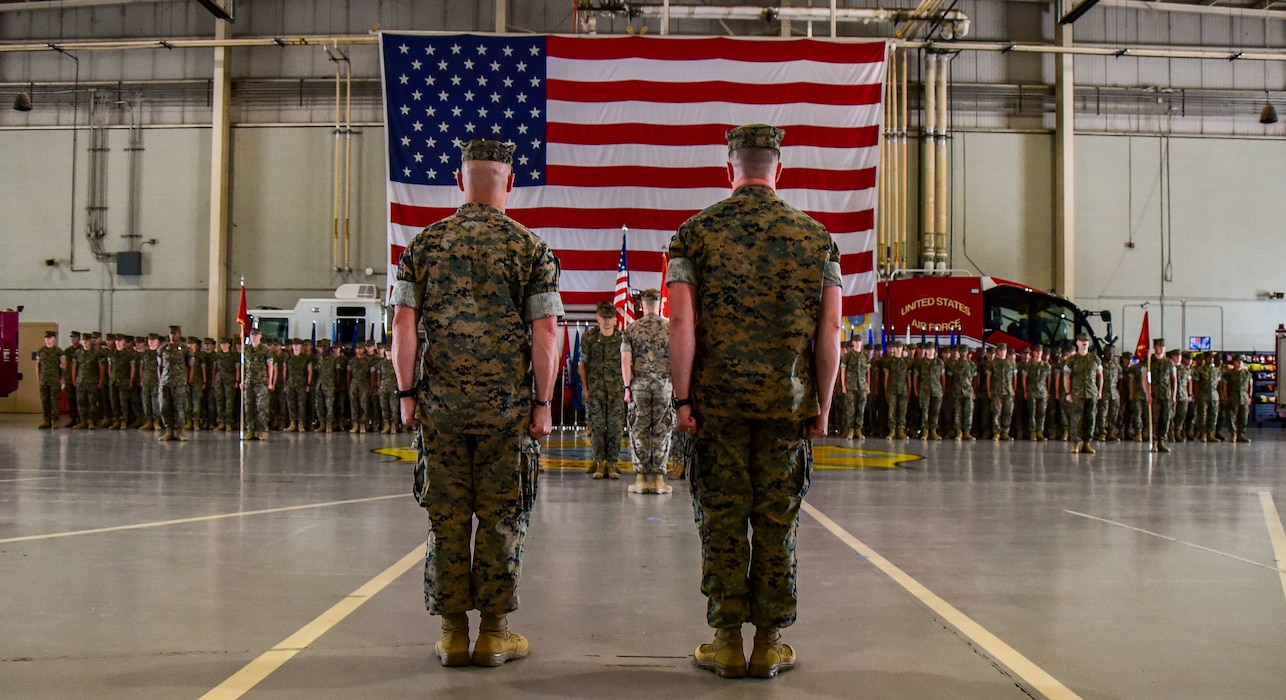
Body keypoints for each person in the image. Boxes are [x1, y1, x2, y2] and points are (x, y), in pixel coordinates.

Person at [669, 124, 841, 679]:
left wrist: (683, 399)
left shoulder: (694, 234)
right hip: (787, 409)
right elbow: (831, 331)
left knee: (720, 519)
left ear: (730, 169)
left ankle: (725, 641)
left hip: (717, 408)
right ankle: (768, 644)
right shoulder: (817, 239)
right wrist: (825, 406)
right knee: (776, 521)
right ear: (778, 170)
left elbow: (681, 323)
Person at [391, 139, 562, 669]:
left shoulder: (422, 246)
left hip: (439, 411)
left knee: (445, 520)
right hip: (505, 413)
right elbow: (547, 332)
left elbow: (402, 325)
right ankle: (494, 633)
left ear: (459, 180)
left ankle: (450, 634)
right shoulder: (531, 249)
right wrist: (543, 403)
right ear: (509, 181)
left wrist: (406, 394)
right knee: (500, 518)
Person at [622, 288, 675, 494]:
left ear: (642, 305)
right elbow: (677, 358)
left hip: (640, 388)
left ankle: (641, 480)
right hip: (664, 387)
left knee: (639, 430)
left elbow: (625, 360)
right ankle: (660, 480)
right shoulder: (670, 327)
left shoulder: (632, 328)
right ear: (660, 303)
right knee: (662, 430)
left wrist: (627, 388)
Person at [580, 301, 626, 479]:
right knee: (597, 427)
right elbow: (583, 364)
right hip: (596, 389)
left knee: (615, 427)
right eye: (603, 317)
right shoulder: (589, 338)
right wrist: (585, 388)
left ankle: (612, 463)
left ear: (615, 319)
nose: (606, 321)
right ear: (598, 318)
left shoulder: (622, 339)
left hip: (616, 390)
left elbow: (627, 364)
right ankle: (599, 462)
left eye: (610, 318)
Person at [1063, 333, 1103, 454]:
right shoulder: (1072, 360)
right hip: (1077, 393)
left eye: (1086, 341)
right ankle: (1075, 444)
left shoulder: (1095, 359)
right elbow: (1066, 377)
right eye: (1081, 341)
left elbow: (1100, 375)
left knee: (1090, 419)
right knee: (1076, 419)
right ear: (1077, 343)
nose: (1084, 342)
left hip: (1091, 393)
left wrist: (1099, 390)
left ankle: (1086, 443)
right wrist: (1068, 393)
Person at [158, 325, 193, 441]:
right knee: (164, 407)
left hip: (179, 382)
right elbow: (159, 366)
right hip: (165, 382)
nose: (173, 336)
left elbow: (190, 366)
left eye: (175, 333)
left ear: (179, 334)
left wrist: (188, 382)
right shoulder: (163, 349)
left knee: (179, 407)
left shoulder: (186, 349)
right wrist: (160, 381)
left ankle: (180, 431)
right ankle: (169, 430)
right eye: (171, 334)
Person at [242, 328, 274, 440]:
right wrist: (243, 381)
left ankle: (260, 431)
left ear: (260, 336)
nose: (254, 337)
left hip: (261, 382)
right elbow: (244, 366)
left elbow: (270, 366)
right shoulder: (246, 349)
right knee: (248, 407)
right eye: (252, 335)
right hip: (249, 382)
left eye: (256, 335)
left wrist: (270, 382)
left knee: (261, 407)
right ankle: (250, 430)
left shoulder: (265, 350)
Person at [1149, 338, 1177, 453]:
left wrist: (1174, 395)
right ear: (1154, 347)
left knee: (1165, 418)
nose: (1160, 348)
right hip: (1154, 394)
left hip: (1166, 394)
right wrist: (1147, 393)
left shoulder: (1169, 362)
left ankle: (1161, 441)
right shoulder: (1149, 361)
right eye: (1158, 346)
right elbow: (1144, 378)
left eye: (1162, 347)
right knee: (1154, 419)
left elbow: (1174, 379)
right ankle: (1154, 441)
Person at [842, 336, 869, 439]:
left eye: (859, 341)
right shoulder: (848, 356)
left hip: (862, 385)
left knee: (861, 408)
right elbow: (843, 371)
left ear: (861, 343)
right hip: (851, 385)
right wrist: (844, 386)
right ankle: (851, 429)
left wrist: (868, 386)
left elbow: (868, 372)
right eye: (856, 341)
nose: (857, 343)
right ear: (853, 343)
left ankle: (858, 429)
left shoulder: (866, 356)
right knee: (850, 409)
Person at [36, 330, 64, 429]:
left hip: (55, 380)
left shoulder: (59, 351)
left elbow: (63, 366)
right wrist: (38, 378)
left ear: (54, 339)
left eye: (50, 338)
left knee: (55, 401)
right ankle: (46, 420)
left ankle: (55, 421)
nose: (47, 340)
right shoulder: (40, 351)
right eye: (46, 338)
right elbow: (38, 365)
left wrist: (62, 378)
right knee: (45, 400)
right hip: (44, 379)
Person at [1223, 354, 1253, 443]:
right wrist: (1226, 397)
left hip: (1244, 398)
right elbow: (1224, 386)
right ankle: (1233, 434)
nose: (1239, 363)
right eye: (1237, 361)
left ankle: (1240, 434)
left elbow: (1250, 386)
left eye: (1241, 361)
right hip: (1233, 397)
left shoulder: (1247, 374)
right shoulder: (1228, 374)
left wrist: (1250, 396)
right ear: (1234, 362)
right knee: (1232, 417)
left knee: (1243, 417)